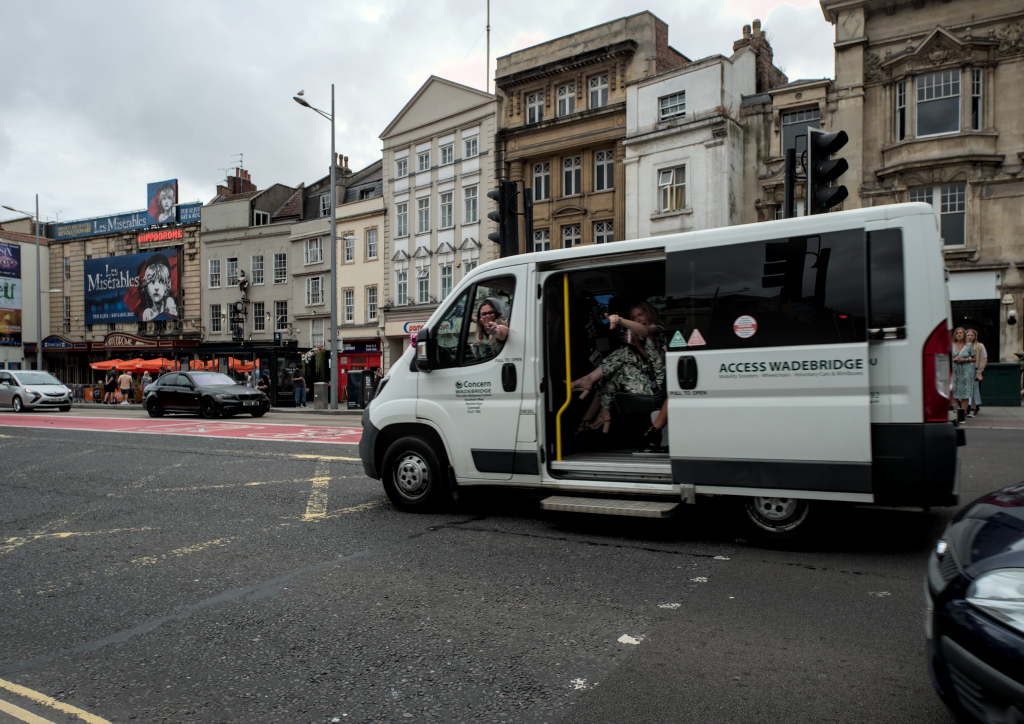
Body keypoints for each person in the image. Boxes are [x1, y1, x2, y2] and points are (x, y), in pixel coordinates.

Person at [572, 301, 666, 436]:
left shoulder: (659, 329)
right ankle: (596, 415)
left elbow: (646, 332)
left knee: (623, 356)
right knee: (612, 373)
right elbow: (651, 360)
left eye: (641, 315)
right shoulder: (645, 336)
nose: (638, 319)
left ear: (650, 314)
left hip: (658, 384)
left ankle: (591, 392)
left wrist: (620, 320)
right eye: (634, 317)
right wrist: (637, 344)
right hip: (652, 377)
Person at [135, 254, 177, 321]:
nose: (156, 288)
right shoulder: (147, 313)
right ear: (146, 286)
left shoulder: (170, 304)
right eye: (151, 282)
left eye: (161, 281)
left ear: (167, 284)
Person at [951, 326, 975, 413]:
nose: (959, 334)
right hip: (955, 370)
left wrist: (965, 359)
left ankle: (963, 414)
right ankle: (955, 413)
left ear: (964, 334)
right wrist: (953, 359)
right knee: (954, 392)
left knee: (965, 392)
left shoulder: (969, 345)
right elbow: (946, 357)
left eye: (961, 333)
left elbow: (974, 358)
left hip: (966, 370)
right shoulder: (951, 345)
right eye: (957, 333)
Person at [968, 328, 988, 417]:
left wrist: (981, 370)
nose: (970, 337)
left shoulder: (980, 346)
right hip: (965, 370)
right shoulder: (963, 345)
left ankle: (974, 408)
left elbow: (984, 358)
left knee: (975, 390)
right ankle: (966, 408)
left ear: (975, 336)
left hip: (976, 369)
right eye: (968, 335)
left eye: (972, 335)